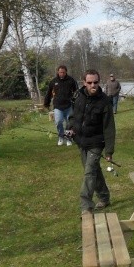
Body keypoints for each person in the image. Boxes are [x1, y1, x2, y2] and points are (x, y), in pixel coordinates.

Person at [66, 70, 116, 214]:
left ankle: (86, 206)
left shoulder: (104, 101)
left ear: (99, 82)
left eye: (95, 82)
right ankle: (105, 197)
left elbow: (109, 128)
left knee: (89, 173)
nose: (93, 85)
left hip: (96, 143)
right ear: (84, 83)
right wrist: (70, 128)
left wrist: (109, 151)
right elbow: (72, 116)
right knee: (94, 171)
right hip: (81, 141)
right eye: (89, 82)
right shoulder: (77, 96)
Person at [43, 65, 78, 146]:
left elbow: (76, 92)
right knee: (58, 122)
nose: (62, 74)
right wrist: (46, 103)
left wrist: (76, 102)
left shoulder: (71, 80)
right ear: (58, 72)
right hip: (58, 106)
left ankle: (68, 138)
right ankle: (61, 137)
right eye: (60, 72)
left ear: (66, 72)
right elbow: (48, 93)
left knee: (69, 123)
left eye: (63, 72)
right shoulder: (53, 81)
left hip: (69, 105)